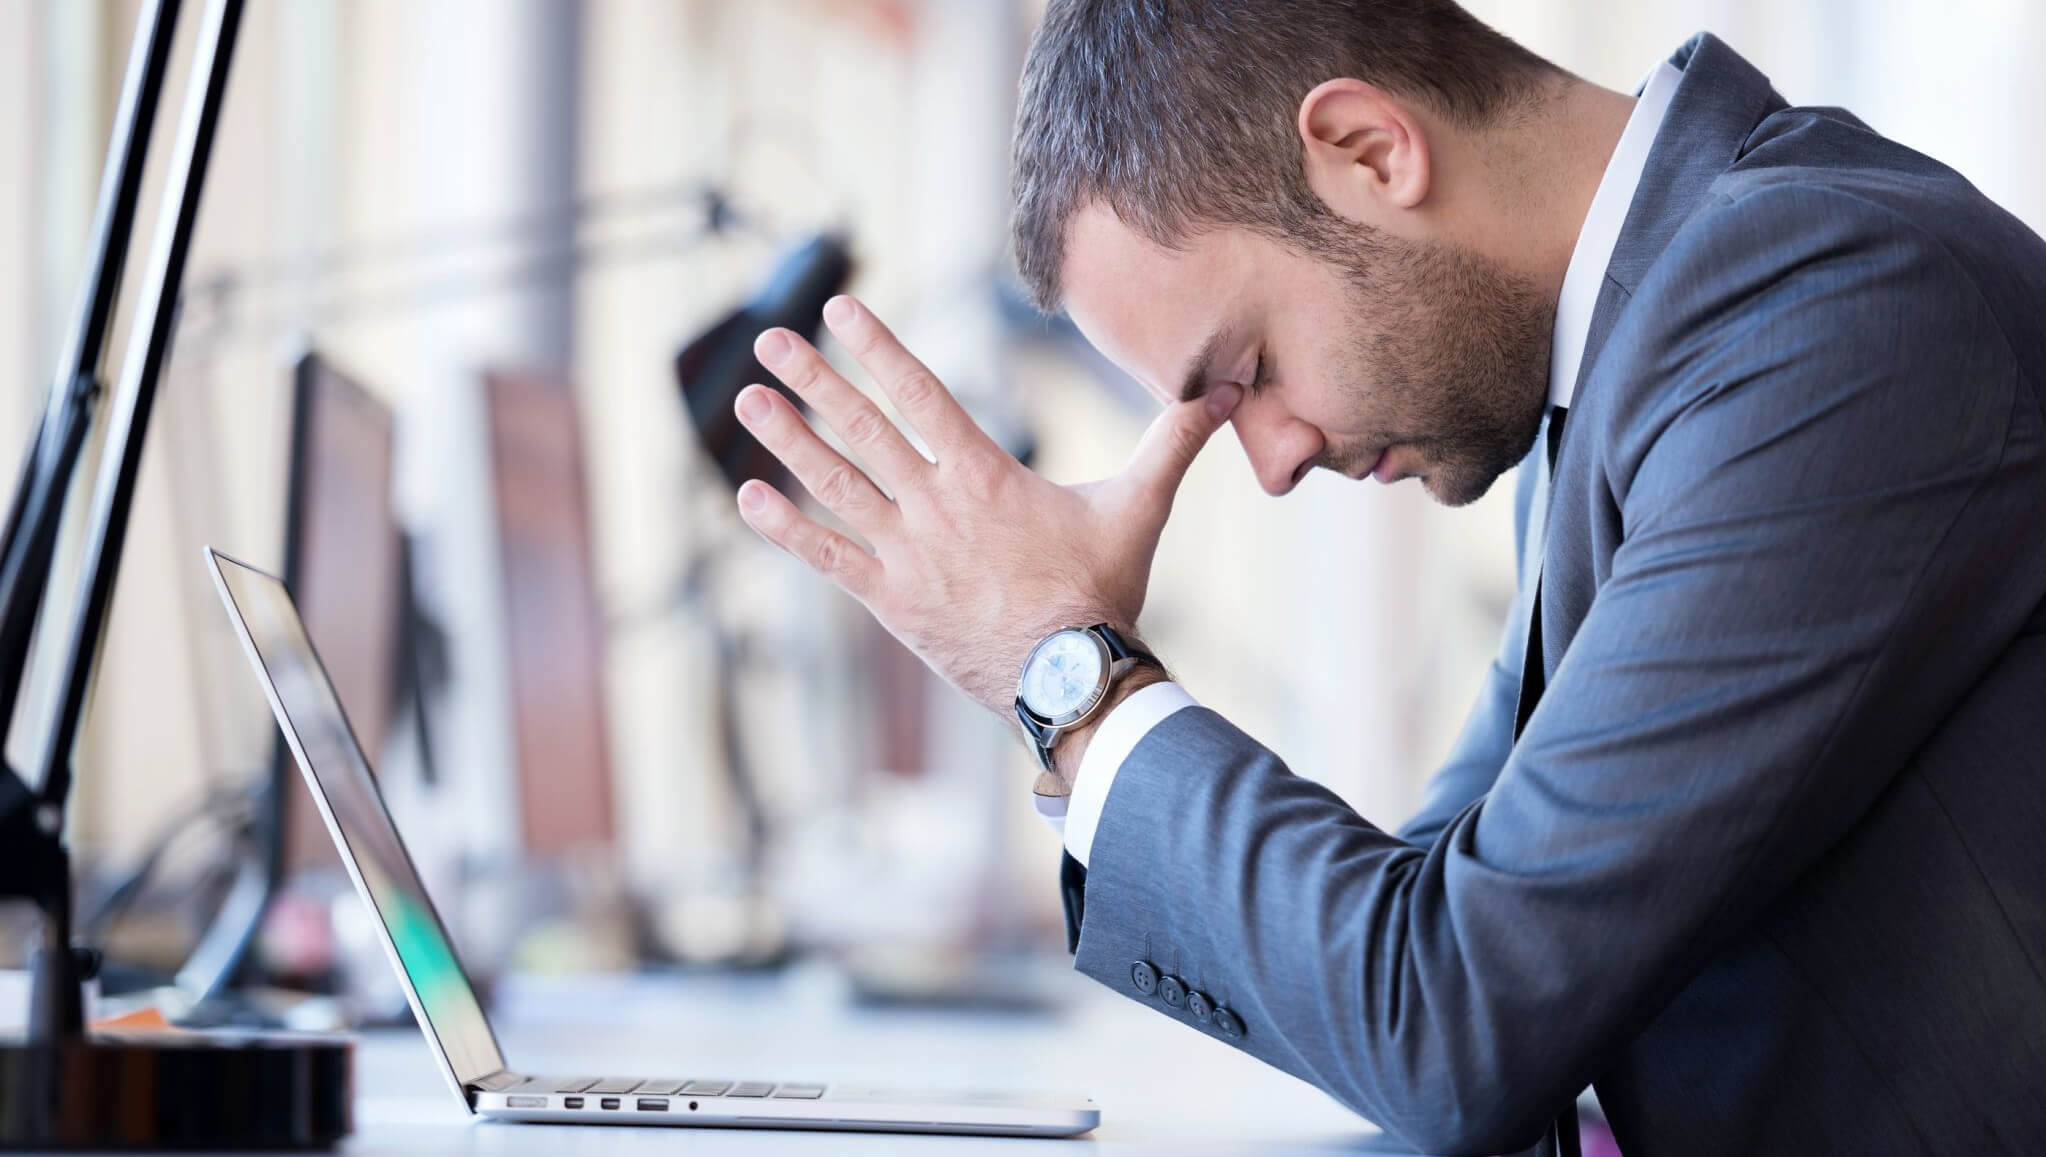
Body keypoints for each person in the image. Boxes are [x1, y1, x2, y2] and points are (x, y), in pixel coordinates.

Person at [729, 3, 2046, 1154]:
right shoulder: (1630, 358)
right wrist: (1065, 668)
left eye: (1240, 374)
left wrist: (1065, 672)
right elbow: (1415, 948)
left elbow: (1453, 1019)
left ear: (1368, 150)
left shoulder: (1828, 316)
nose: (1271, 459)